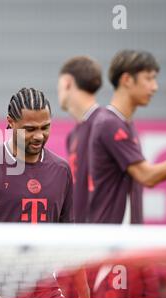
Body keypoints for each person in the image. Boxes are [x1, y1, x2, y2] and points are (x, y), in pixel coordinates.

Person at [0, 88, 79, 298]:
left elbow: (69, 237)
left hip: (45, 284)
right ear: (10, 122)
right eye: (30, 129)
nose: (39, 136)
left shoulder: (62, 170)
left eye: (45, 127)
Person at [88, 50, 166, 223]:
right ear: (126, 79)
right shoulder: (109, 124)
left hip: (122, 239)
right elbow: (147, 176)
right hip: (110, 240)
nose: (155, 87)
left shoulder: (124, 123)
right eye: (148, 78)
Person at [57, 56, 104, 222]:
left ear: (67, 83)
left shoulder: (106, 124)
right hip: (83, 234)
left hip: (107, 237)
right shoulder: (74, 135)